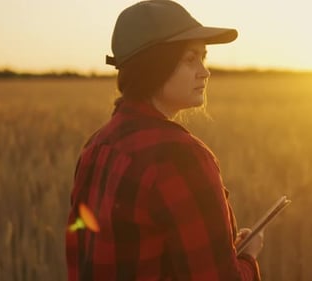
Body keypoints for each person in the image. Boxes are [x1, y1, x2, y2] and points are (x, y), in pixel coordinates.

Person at [65, 0, 264, 280]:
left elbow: (80, 259)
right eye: (190, 58)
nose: (205, 72)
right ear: (154, 65)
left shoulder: (96, 146)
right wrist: (247, 256)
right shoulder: (180, 156)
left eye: (203, 57)